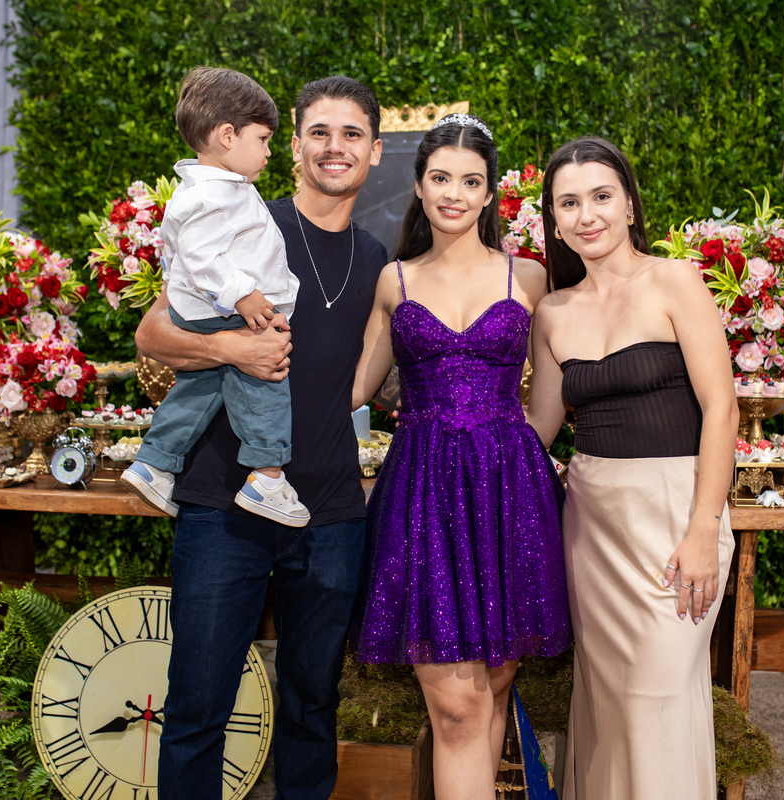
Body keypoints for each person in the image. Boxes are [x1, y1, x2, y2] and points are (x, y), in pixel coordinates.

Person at [136, 75, 386, 800]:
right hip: (223, 504)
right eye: (319, 132)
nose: (335, 147)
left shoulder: (379, 260)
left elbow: (368, 379)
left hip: (330, 512)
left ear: (374, 151)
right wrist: (231, 350)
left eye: (351, 134)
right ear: (295, 146)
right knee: (196, 708)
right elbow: (153, 334)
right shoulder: (243, 218)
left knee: (313, 705)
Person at [351, 114, 570, 800]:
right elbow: (353, 388)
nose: (454, 193)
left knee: (495, 686)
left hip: (509, 494)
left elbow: (551, 404)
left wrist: (509, 461)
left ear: (489, 194)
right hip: (421, 497)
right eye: (441, 178)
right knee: (456, 707)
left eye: (470, 181)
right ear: (419, 185)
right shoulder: (394, 281)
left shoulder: (529, 278)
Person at [525, 137, 738, 799]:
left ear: (629, 204)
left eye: (601, 196)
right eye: (569, 202)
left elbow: (722, 407)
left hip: (678, 516)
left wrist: (704, 528)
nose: (586, 214)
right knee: (610, 703)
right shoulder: (552, 312)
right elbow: (539, 428)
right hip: (593, 525)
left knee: (657, 700)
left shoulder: (675, 281)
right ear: (553, 218)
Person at [123, 66, 310, 527]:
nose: (269, 152)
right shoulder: (214, 195)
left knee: (198, 390)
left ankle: (155, 464)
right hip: (226, 313)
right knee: (266, 383)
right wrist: (244, 295)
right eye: (263, 139)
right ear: (228, 135)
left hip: (204, 313)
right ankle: (268, 477)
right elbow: (201, 255)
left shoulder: (218, 189)